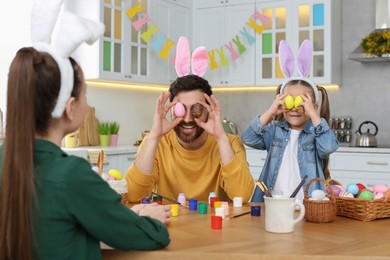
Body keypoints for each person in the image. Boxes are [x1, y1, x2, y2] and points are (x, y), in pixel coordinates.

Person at [0, 1, 171, 259]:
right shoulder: (72, 175)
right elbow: (153, 236)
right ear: (70, 107)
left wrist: (127, 215)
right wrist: (148, 219)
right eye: (85, 96)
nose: (87, 104)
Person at [126, 74, 255, 203]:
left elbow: (242, 196)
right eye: (180, 109)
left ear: (208, 110)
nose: (187, 119)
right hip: (167, 222)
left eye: (196, 110)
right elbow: (133, 195)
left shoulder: (230, 144)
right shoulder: (156, 143)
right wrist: (154, 137)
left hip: (214, 222)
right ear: (171, 110)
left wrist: (221, 137)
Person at [241, 40, 339, 202]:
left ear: (312, 106)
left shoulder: (315, 134)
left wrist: (314, 115)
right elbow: (248, 138)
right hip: (272, 201)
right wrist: (271, 111)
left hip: (306, 204)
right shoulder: (274, 130)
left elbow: (328, 146)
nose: (295, 107)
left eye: (301, 102)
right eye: (289, 101)